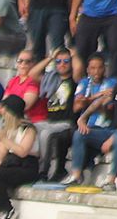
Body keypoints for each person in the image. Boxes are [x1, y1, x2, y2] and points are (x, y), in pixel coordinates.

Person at [62, 56, 117, 191]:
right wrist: (83, 118)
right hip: (113, 130)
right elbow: (101, 101)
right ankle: (76, 175)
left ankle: (111, 180)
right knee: (80, 133)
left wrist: (112, 139)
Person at [29, 47, 79, 181]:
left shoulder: (74, 80)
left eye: (66, 61)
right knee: (30, 127)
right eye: (58, 61)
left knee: (46, 134)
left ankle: (43, 172)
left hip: (66, 123)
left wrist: (73, 55)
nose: (62, 64)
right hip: (50, 122)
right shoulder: (51, 79)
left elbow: (79, 69)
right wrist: (50, 57)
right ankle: (29, 166)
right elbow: (32, 74)